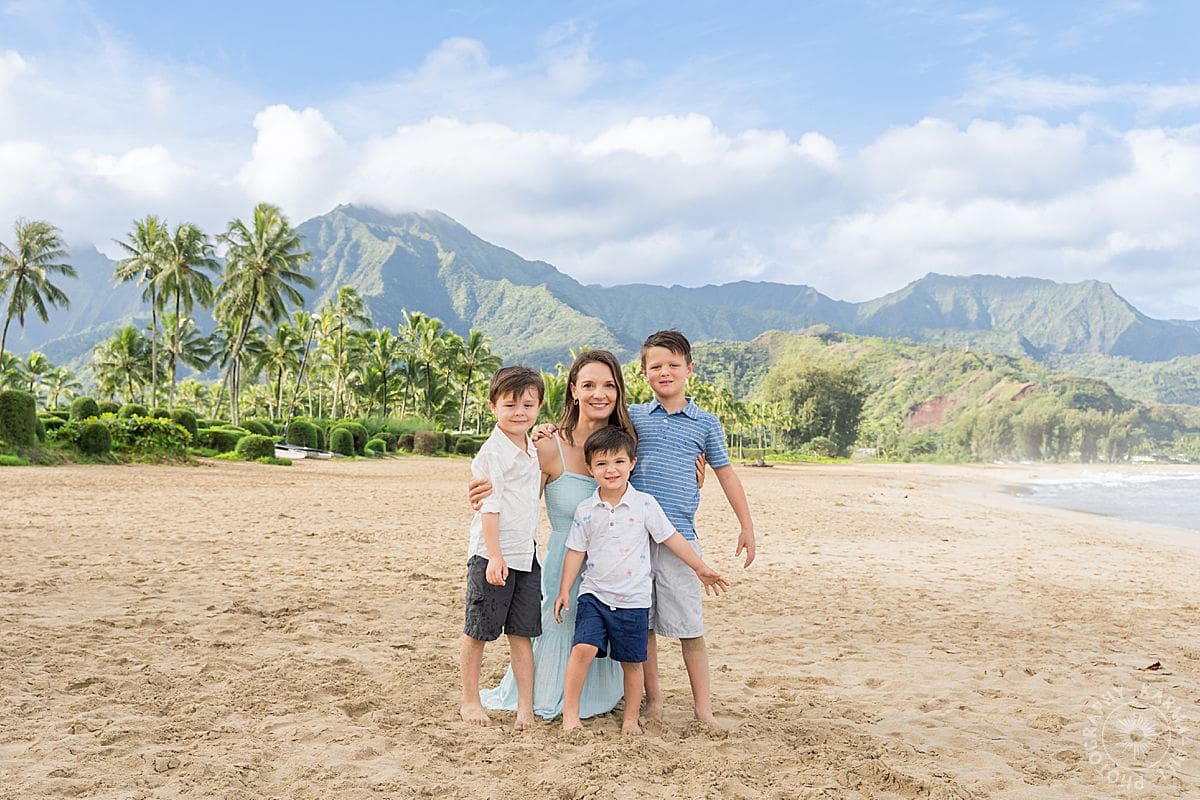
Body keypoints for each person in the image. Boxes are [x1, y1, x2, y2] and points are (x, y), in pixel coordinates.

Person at [474, 350, 635, 720]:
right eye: (589, 384)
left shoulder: (625, 445)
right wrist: (478, 497)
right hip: (563, 560)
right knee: (556, 623)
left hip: (612, 562)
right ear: (573, 391)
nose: (600, 393)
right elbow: (514, 498)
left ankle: (596, 692)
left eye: (609, 385)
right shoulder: (547, 445)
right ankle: (545, 691)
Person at [554, 426, 728, 735]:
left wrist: (699, 567)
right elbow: (574, 552)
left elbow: (672, 538)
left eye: (619, 462)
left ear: (632, 463)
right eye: (602, 464)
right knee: (582, 649)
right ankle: (570, 714)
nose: (611, 470)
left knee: (632, 663)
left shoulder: (645, 504)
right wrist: (565, 589)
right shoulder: (585, 510)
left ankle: (631, 719)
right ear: (590, 468)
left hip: (634, 600)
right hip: (594, 595)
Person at [632, 329, 756, 727]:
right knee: (644, 626)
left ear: (689, 368)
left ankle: (704, 709)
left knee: (690, 628)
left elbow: (726, 474)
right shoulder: (632, 417)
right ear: (643, 373)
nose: (664, 372)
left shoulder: (705, 423)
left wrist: (746, 525)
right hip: (632, 540)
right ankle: (655, 701)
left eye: (672, 365)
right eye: (656, 366)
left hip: (681, 539)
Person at [459, 365, 545, 729]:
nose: (519, 412)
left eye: (528, 404)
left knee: (522, 634)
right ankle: (469, 700)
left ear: (540, 407)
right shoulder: (491, 454)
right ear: (493, 407)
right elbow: (489, 508)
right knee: (478, 631)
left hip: (527, 554)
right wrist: (494, 556)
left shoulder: (532, 447)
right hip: (491, 555)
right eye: (510, 405)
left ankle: (525, 706)